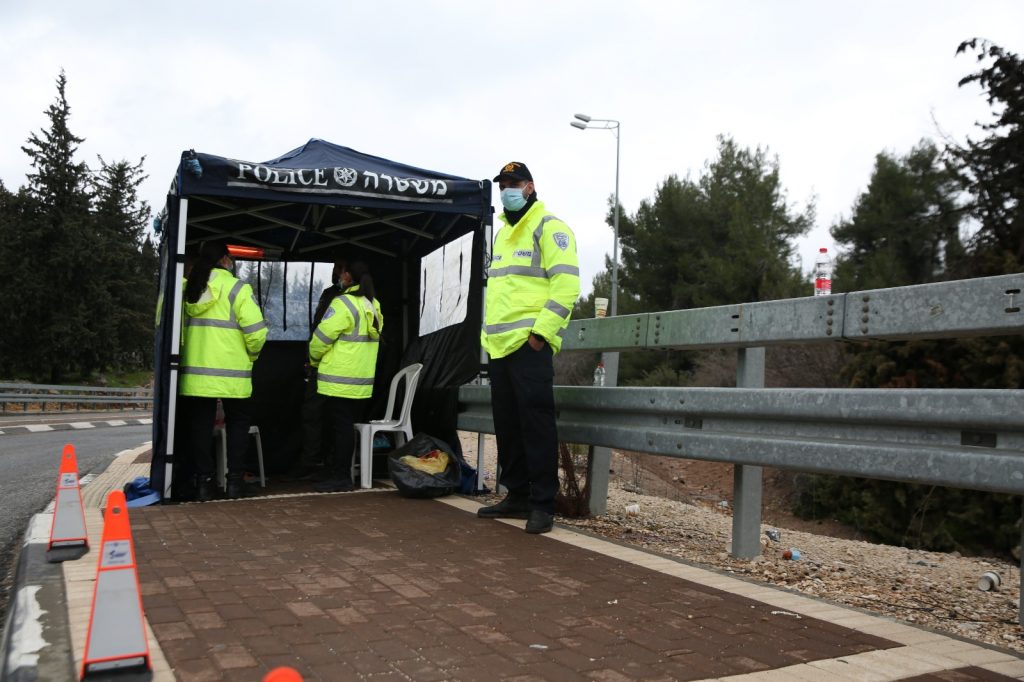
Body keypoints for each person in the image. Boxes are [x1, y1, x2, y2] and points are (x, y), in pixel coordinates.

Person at [477, 162, 580, 534]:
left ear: (530, 187)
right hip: (500, 348)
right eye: (503, 184)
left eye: (513, 183)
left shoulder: (549, 227)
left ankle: (542, 504)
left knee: (536, 425)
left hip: (529, 346)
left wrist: (540, 335)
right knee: (508, 426)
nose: (507, 189)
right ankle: (517, 494)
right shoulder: (504, 235)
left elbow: (566, 287)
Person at [178, 241, 268, 500]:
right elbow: (257, 332)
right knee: (238, 425)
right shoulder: (237, 288)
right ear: (226, 260)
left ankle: (204, 484)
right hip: (233, 374)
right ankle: (235, 483)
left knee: (200, 426)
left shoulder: (187, 289)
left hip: (196, 375)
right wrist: (250, 356)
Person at [308, 261, 383, 492]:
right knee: (346, 426)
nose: (339, 277)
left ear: (348, 276)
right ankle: (340, 474)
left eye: (341, 273)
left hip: (338, 378)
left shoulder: (343, 303)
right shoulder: (373, 304)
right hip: (361, 380)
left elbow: (321, 338)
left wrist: (313, 360)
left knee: (340, 427)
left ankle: (341, 477)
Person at [293, 257, 351, 479]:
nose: (337, 273)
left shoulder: (349, 299)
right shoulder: (331, 294)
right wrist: (311, 358)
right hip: (327, 365)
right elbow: (318, 328)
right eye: (336, 269)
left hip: (334, 365)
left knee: (330, 416)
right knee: (316, 413)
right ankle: (314, 462)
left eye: (341, 269)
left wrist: (313, 357)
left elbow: (323, 333)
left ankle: (327, 464)